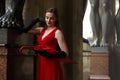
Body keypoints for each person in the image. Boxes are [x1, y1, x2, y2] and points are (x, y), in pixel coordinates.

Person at [19, 8, 70, 80]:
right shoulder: (41, 30)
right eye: (47, 18)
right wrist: (36, 20)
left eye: (51, 18)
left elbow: (65, 53)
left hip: (51, 63)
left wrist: (48, 55)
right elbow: (24, 30)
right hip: (42, 62)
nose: (48, 21)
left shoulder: (57, 32)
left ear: (56, 19)